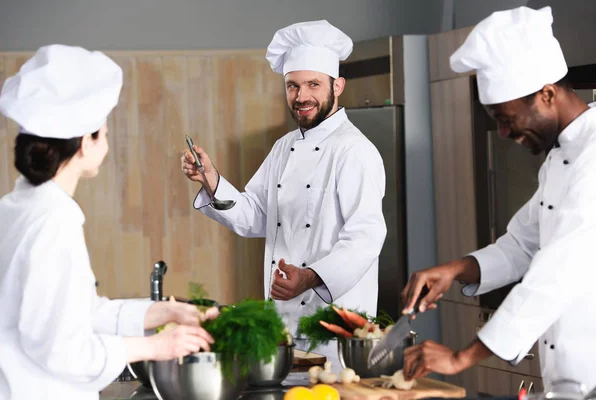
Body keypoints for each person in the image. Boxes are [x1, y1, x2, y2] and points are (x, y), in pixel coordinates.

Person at [0, 44, 217, 400]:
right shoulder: (54, 220)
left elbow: (80, 312)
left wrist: (168, 310)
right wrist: (157, 347)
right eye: (105, 131)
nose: (108, 139)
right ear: (86, 143)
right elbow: (62, 350)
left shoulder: (12, 209)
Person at [401, 6, 596, 389]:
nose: (504, 135)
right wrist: (456, 270)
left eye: (507, 119)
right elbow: (523, 244)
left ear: (547, 94)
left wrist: (461, 357)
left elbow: (558, 271)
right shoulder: (560, 158)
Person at [181, 20, 387, 365]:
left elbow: (366, 237)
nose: (301, 96)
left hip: (334, 330)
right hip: (283, 327)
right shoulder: (284, 147)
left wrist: (308, 278)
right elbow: (255, 217)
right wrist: (212, 180)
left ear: (337, 86)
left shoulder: (354, 151)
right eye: (292, 86)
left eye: (313, 85)